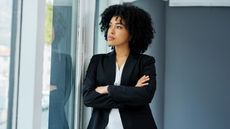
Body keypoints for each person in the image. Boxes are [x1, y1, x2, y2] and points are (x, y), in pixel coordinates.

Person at [83, 3, 157, 129]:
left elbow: (145, 96)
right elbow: (89, 98)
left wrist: (108, 89)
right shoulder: (97, 60)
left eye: (118, 27)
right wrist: (131, 92)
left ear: (132, 33)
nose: (111, 31)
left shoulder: (145, 62)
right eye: (110, 25)